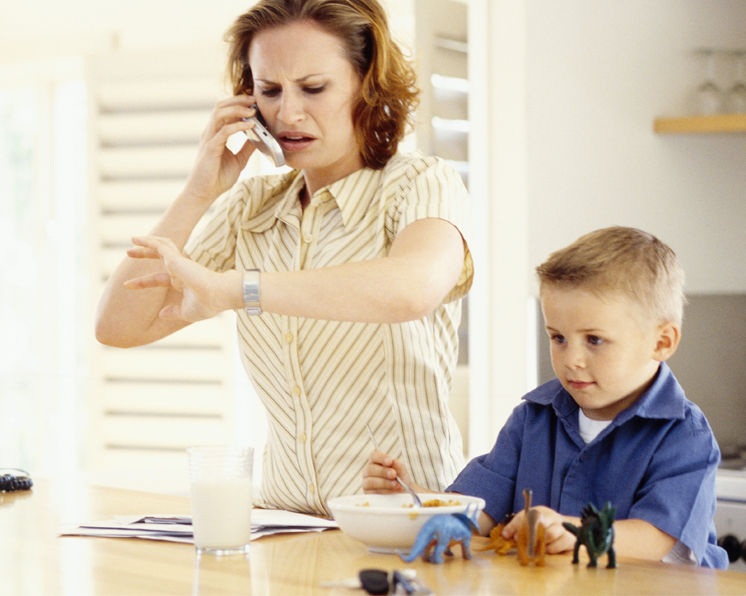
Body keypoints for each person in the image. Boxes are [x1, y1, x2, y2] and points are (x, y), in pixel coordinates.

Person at [94, 0, 472, 516]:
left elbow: (411, 289)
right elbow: (118, 326)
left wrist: (235, 290)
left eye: (314, 88)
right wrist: (198, 192)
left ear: (367, 84)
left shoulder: (421, 184)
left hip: (405, 521)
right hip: (285, 521)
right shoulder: (251, 207)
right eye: (269, 90)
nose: (288, 113)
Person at [363, 226, 728, 569]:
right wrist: (415, 498)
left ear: (661, 342)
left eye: (595, 340)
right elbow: (480, 509)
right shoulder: (532, 418)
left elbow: (660, 540)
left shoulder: (685, 436)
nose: (572, 360)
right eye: (558, 338)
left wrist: (571, 532)